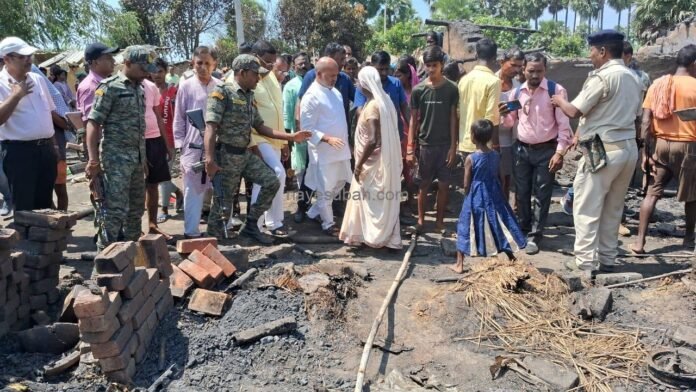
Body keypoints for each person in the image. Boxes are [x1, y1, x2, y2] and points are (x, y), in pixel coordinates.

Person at [551, 30, 642, 274]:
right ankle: (608, 258)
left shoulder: (602, 78)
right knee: (613, 207)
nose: (589, 55)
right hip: (628, 148)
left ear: (602, 51)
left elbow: (574, 111)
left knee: (586, 206)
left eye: (591, 50)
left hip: (602, 149)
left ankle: (584, 262)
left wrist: (559, 101)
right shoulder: (633, 77)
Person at [204, 54, 311, 243]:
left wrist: (291, 137)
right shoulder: (222, 92)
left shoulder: (248, 95)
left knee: (272, 181)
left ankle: (251, 226)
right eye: (255, 74)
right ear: (243, 73)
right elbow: (211, 127)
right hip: (227, 156)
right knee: (223, 203)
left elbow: (260, 127)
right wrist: (210, 159)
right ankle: (214, 243)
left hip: (245, 154)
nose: (258, 78)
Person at [85, 46, 159, 250]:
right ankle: (103, 263)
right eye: (143, 67)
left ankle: (130, 257)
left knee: (136, 211)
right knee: (114, 212)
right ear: (127, 64)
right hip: (115, 161)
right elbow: (93, 123)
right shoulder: (109, 87)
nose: (147, 72)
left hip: (136, 161)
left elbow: (139, 127)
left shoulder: (140, 88)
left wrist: (142, 158)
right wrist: (93, 161)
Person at [500, 52, 573, 255]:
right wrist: (504, 115)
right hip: (521, 149)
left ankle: (535, 236)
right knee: (522, 193)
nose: (534, 75)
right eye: (531, 71)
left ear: (545, 70)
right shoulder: (517, 93)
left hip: (546, 151)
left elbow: (564, 126)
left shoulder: (556, 91)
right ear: (523, 69)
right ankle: (522, 230)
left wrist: (559, 153)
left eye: (539, 71)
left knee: (542, 194)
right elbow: (510, 122)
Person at [631, 45, 696, 254]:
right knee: (691, 196)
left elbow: (646, 120)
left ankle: (640, 243)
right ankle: (688, 240)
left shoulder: (658, 85)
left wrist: (645, 152)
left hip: (660, 146)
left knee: (651, 193)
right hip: (689, 147)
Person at [450, 119, 526, 273]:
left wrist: (467, 196)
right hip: (494, 192)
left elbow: (466, 183)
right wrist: (501, 193)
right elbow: (502, 177)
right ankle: (511, 257)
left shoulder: (470, 158)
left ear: (473, 137)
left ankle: (459, 264)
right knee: (498, 222)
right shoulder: (496, 155)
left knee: (465, 224)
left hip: (476, 194)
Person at [340, 66, 402, 249]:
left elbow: (373, 139)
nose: (357, 84)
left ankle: (378, 238)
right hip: (378, 160)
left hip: (371, 163)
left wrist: (358, 165)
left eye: (359, 80)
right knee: (370, 200)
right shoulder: (383, 101)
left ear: (365, 83)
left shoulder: (374, 105)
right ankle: (368, 236)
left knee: (370, 200)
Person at [296, 43, 355, 223]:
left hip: (341, 150)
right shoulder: (311, 96)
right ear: (319, 74)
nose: (335, 79)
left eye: (336, 76)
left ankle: (313, 213)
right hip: (323, 152)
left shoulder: (335, 92)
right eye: (331, 76)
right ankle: (328, 224)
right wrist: (327, 139)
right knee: (324, 190)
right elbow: (307, 129)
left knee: (341, 183)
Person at [0, 37, 60, 212]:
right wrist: (16, 96)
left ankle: (45, 239)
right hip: (19, 152)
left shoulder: (37, 79)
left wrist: (54, 145)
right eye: (23, 56)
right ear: (7, 59)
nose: (28, 59)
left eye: (30, 55)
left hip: (45, 150)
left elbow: (47, 114)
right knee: (24, 204)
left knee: (45, 202)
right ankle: (25, 238)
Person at [406, 45, 459, 233]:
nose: (430, 69)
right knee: (424, 185)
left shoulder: (452, 89)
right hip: (425, 145)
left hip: (445, 145)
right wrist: (410, 148)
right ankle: (421, 222)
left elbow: (454, 118)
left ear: (442, 64)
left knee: (444, 186)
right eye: (427, 65)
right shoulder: (418, 90)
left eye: (434, 65)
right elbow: (413, 120)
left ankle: (439, 223)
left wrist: (454, 147)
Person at [173, 46, 221, 238]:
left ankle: (216, 231)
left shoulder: (220, 86)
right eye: (199, 63)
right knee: (192, 191)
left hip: (216, 147)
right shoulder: (186, 86)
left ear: (214, 64)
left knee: (217, 190)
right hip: (192, 147)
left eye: (207, 63)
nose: (202, 67)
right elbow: (179, 118)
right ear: (193, 63)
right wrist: (180, 147)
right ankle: (191, 233)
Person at [246, 40, 289, 236]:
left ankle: (274, 222)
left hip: (275, 138)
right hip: (258, 137)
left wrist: (285, 142)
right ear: (256, 57)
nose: (271, 66)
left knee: (275, 178)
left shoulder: (270, 77)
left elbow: (278, 110)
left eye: (273, 63)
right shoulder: (244, 78)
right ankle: (255, 223)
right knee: (274, 174)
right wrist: (252, 144)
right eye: (268, 62)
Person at [31, 64, 71, 211]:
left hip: (56, 149)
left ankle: (63, 219)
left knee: (60, 188)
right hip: (38, 151)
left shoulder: (52, 98)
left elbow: (65, 123)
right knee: (43, 191)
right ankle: (55, 218)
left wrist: (49, 113)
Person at [151, 58, 184, 222]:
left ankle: (164, 209)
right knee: (155, 177)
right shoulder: (146, 90)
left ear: (165, 72)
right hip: (151, 140)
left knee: (163, 177)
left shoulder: (173, 92)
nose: (156, 75)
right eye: (154, 71)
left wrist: (175, 143)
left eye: (160, 71)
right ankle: (178, 193)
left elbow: (179, 116)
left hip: (169, 139)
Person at [458, 38, 501, 162]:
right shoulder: (493, 81)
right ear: (495, 57)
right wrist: (496, 146)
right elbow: (491, 118)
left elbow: (459, 112)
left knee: (468, 179)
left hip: (465, 141)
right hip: (483, 146)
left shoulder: (464, 80)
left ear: (476, 55)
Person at [142, 75, 173, 239]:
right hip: (134, 141)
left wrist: (166, 144)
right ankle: (134, 229)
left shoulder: (150, 86)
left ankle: (153, 225)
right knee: (135, 187)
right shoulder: (120, 87)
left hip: (154, 140)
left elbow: (158, 115)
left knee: (153, 185)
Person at [354, 51, 409, 140]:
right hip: (375, 137)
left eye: (387, 69)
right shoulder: (364, 87)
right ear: (372, 67)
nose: (384, 73)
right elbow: (360, 112)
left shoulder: (396, 83)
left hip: (395, 134)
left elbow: (405, 108)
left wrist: (412, 130)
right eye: (380, 69)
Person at [77, 42, 117, 160]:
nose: (113, 61)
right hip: (101, 149)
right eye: (109, 58)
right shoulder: (90, 87)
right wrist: (94, 159)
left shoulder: (105, 83)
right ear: (95, 62)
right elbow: (89, 124)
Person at [495, 49, 523, 203]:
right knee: (496, 176)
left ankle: (506, 206)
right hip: (493, 138)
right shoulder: (491, 82)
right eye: (513, 65)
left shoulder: (518, 85)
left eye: (519, 66)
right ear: (502, 62)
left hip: (511, 139)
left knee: (507, 177)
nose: (516, 70)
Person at [284, 52, 310, 190]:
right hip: (298, 132)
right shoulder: (290, 86)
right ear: (294, 66)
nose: (304, 65)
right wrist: (289, 136)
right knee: (300, 168)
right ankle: (302, 198)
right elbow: (287, 112)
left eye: (306, 62)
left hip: (315, 132)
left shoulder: (315, 81)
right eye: (300, 63)